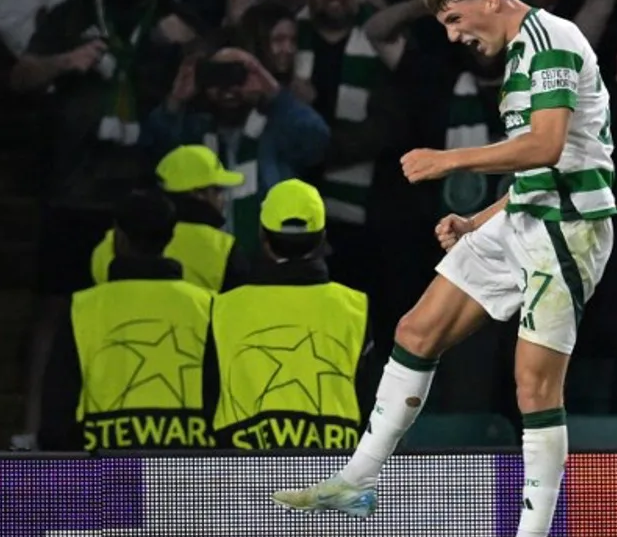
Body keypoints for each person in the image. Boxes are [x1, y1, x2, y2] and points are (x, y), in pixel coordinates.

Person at [272, 0, 617, 537]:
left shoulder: (549, 42)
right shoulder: (520, 54)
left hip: (568, 230)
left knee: (533, 387)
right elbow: (539, 168)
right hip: (524, 214)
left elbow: (547, 146)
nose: (456, 36)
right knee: (415, 330)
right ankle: (358, 481)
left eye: (458, 20)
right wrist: (478, 216)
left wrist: (449, 160)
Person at [38, 189, 216, 451]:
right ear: (171, 236)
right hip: (192, 463)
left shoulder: (82, 307)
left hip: (106, 467)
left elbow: (58, 407)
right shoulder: (209, 305)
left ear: (118, 237)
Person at [206, 179, 369, 450]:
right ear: (322, 237)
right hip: (332, 468)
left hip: (242, 471)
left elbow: (209, 397)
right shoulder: (355, 306)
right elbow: (370, 399)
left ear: (262, 236)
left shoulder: (224, 307)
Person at [90, 145, 251, 293]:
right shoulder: (223, 250)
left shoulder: (111, 244)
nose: (223, 199)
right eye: (217, 190)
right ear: (197, 194)